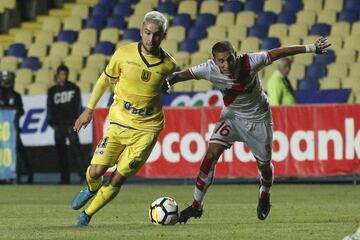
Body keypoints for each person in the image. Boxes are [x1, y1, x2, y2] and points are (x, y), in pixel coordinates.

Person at [163, 37, 330, 223]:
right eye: (221, 61)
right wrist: (167, 82)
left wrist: (311, 48)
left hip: (259, 120)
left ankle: (264, 193)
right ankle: (196, 205)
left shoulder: (250, 61)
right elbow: (178, 75)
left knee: (264, 166)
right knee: (211, 154)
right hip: (232, 118)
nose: (226, 64)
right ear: (214, 60)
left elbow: (280, 52)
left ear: (236, 55)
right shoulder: (208, 69)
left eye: (229, 59)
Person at [71, 11, 176, 227]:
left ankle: (87, 215)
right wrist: (89, 109)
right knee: (95, 171)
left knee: (118, 178)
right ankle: (91, 188)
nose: (151, 39)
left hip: (146, 131)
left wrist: (166, 85)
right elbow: (104, 80)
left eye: (156, 35)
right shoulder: (123, 54)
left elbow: (165, 82)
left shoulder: (168, 65)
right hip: (119, 124)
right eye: (147, 33)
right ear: (141, 31)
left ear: (163, 36)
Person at [46, 65, 85, 184]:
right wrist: (52, 123)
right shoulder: (52, 91)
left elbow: (78, 106)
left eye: (65, 74)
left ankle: (83, 176)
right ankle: (64, 178)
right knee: (61, 153)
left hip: (71, 125)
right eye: (62, 74)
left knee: (76, 152)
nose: (64, 76)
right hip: (58, 126)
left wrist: (75, 121)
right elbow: (49, 108)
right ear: (57, 75)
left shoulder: (74, 88)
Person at [0, 71, 34, 184]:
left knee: (18, 152)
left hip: (12, 131)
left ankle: (25, 174)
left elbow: (21, 111)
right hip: (1, 132)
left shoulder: (16, 96)